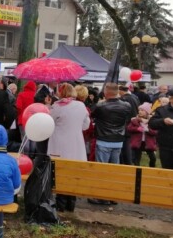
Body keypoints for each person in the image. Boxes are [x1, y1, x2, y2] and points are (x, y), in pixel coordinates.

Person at [47, 83, 90, 212]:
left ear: (61, 93)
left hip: (58, 144)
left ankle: (61, 204)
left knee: (60, 173)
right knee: (73, 173)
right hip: (76, 144)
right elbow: (85, 125)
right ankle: (71, 203)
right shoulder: (81, 106)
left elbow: (49, 123)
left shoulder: (57, 107)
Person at [89, 83, 132, 204]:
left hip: (104, 140)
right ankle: (113, 196)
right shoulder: (126, 105)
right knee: (114, 170)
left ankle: (102, 197)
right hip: (118, 140)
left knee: (102, 170)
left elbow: (92, 115)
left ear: (106, 92)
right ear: (117, 92)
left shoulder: (101, 106)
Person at [149, 88, 173, 169]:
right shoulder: (162, 110)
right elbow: (152, 124)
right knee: (167, 170)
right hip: (166, 147)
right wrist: (163, 121)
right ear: (171, 98)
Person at [127, 102, 157, 167]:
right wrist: (137, 129)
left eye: (142, 110)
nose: (140, 111)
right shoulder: (135, 120)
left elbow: (155, 132)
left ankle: (151, 169)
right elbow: (129, 128)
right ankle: (137, 169)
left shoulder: (152, 121)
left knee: (153, 158)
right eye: (139, 110)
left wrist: (148, 130)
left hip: (148, 143)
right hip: (138, 142)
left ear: (147, 112)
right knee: (136, 158)